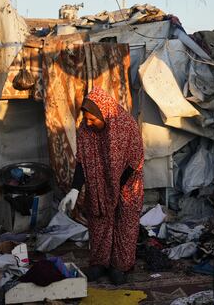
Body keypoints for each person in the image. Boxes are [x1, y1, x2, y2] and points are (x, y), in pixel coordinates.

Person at [59, 87, 144, 285]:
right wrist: (75, 189)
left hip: (127, 182)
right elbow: (82, 161)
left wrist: (114, 188)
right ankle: (100, 263)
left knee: (125, 223)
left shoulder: (126, 125)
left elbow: (134, 160)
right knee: (99, 220)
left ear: (104, 113)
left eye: (92, 119)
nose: (88, 123)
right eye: (86, 119)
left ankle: (120, 266)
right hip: (99, 184)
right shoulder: (86, 129)